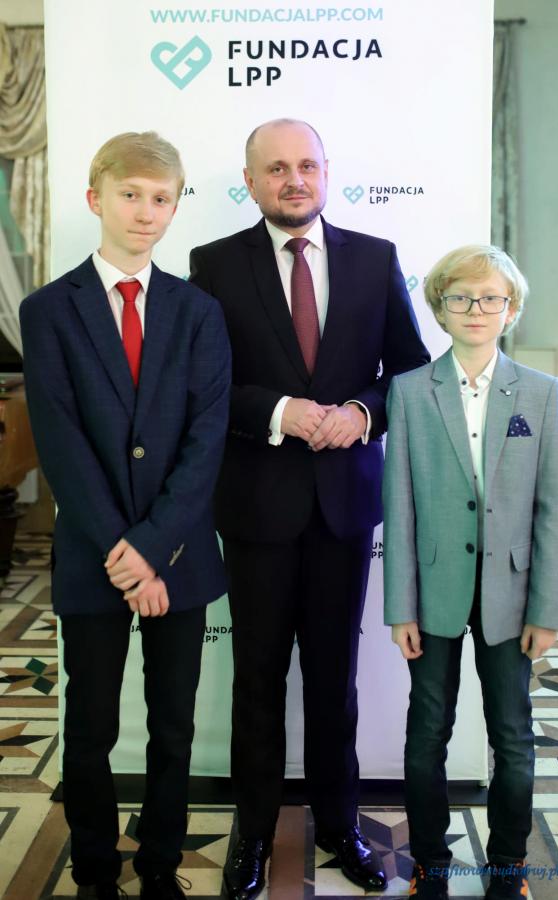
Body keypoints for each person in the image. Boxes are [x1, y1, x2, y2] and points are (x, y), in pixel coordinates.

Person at [189, 117, 429, 899]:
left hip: (342, 508)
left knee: (334, 680)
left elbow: (409, 372)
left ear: (325, 173)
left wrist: (361, 413)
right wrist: (278, 410)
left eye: (305, 165)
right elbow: (203, 382)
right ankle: (253, 835)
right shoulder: (214, 263)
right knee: (256, 680)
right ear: (250, 181)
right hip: (255, 507)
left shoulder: (375, 258)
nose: (293, 179)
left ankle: (339, 825)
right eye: (275, 168)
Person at [19, 132, 231, 900]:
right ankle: (95, 871)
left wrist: (152, 548)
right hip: (93, 555)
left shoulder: (199, 312)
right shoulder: (49, 310)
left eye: (160, 198)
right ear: (95, 198)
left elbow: (206, 439)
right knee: (90, 728)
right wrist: (123, 550)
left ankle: (161, 867)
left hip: (179, 558)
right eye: (130, 195)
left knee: (173, 727)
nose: (145, 211)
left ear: (175, 208)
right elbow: (60, 442)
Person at [383, 244, 558, 899]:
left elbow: (550, 508)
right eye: (460, 297)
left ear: (510, 310)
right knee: (425, 734)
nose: (475, 309)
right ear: (440, 308)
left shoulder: (541, 393)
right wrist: (400, 607)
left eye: (491, 298)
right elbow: (400, 505)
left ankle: (508, 869)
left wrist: (547, 609)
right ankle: (430, 867)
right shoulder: (409, 392)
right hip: (433, 592)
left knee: (512, 738)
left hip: (512, 596)